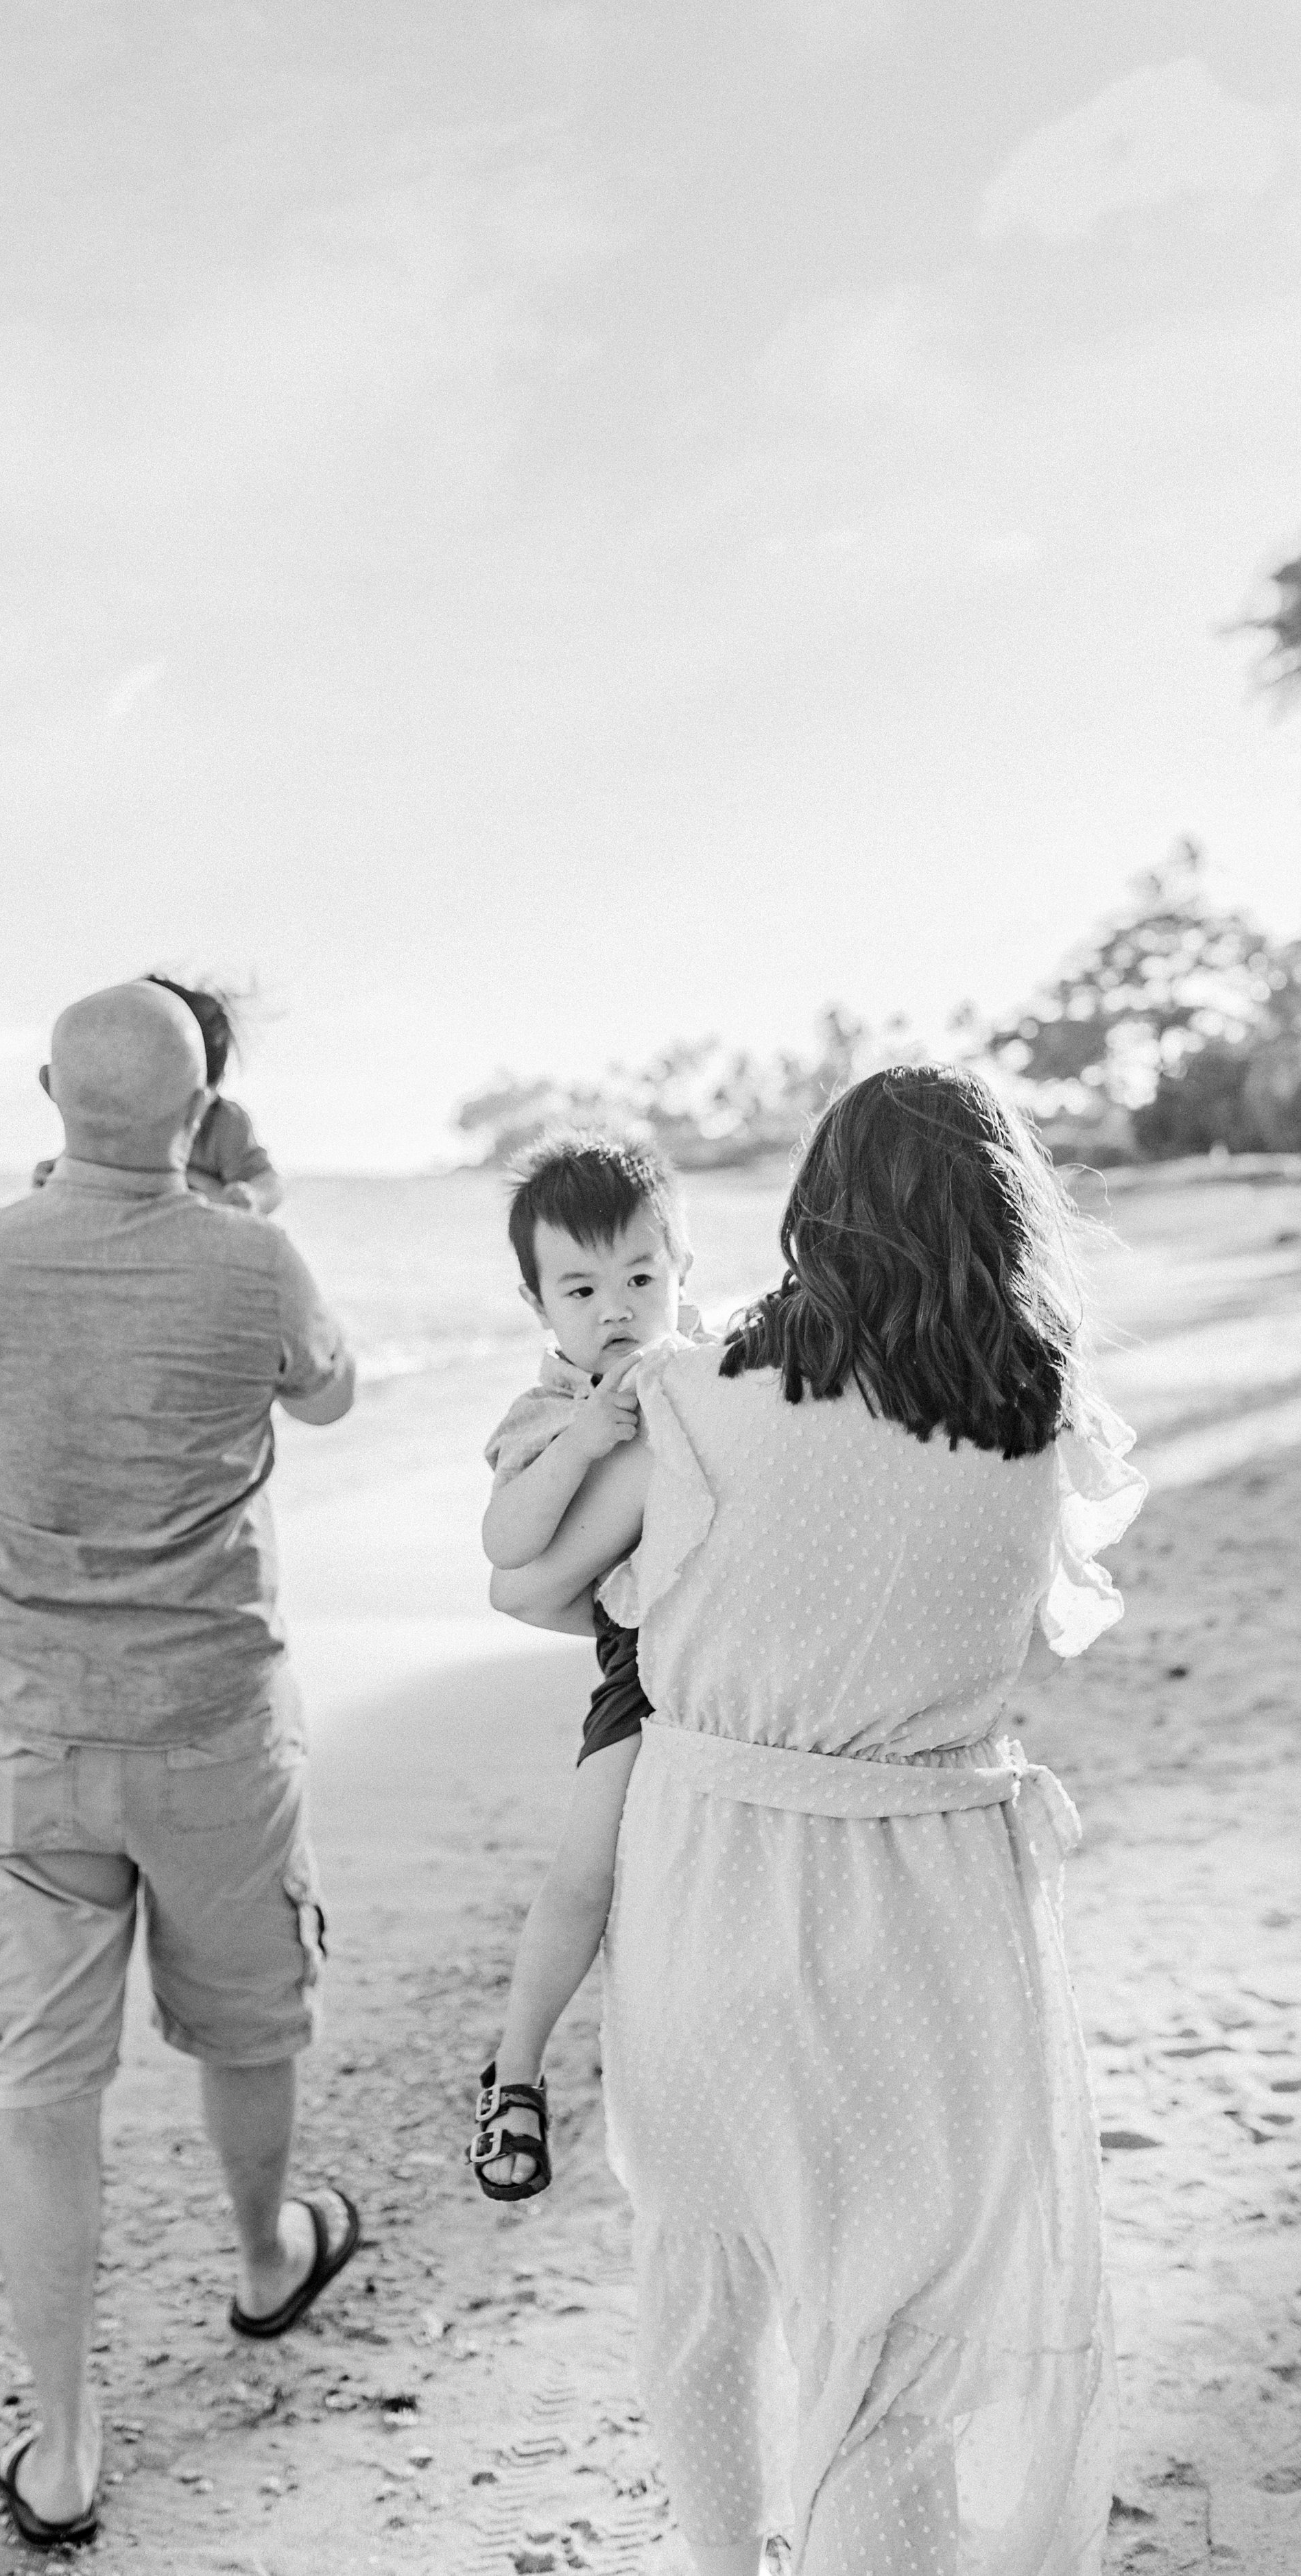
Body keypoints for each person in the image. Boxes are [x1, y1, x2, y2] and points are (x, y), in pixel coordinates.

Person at [490, 1065, 1145, 2576]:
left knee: (708, 2283)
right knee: (896, 2336)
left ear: (815, 1209)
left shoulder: (708, 1397)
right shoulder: (1039, 1416)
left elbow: (529, 1584)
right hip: (937, 1907)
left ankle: (729, 2560)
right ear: (1004, 1220)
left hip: (713, 1879)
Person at [0, 980, 357, 2553]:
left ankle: (65, 2443)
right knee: (245, 2015)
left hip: (35, 1738)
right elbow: (328, 1386)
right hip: (215, 1730)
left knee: (43, 2088)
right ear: (202, 1107)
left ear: (45, 1090)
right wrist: (242, 1200)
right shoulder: (256, 1259)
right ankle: (259, 2254)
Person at [468, 1133, 707, 2202]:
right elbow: (508, 1546)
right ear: (539, 1307)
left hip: (731, 1641)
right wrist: (582, 1440)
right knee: (588, 1874)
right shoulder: (546, 1412)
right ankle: (515, 2070)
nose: (617, 1308)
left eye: (641, 1279)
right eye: (582, 1287)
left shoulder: (716, 1369)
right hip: (640, 1662)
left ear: (683, 1275)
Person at [32, 973, 283, 1215]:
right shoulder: (116, 1113)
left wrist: (251, 1198)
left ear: (209, 1091)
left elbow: (268, 1181)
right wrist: (56, 1174)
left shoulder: (224, 1122)